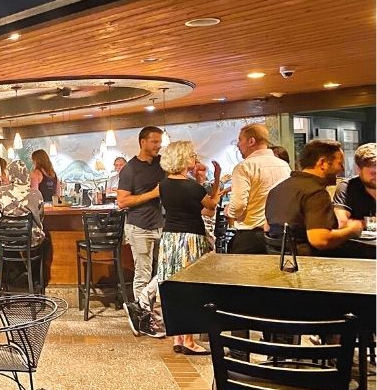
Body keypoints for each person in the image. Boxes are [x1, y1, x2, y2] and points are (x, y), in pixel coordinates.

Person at [156, 141, 222, 354]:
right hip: (190, 238)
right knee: (191, 288)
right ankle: (189, 342)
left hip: (169, 239)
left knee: (173, 288)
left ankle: (177, 337)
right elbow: (210, 207)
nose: (195, 158)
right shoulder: (192, 187)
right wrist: (217, 180)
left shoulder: (164, 185)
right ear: (185, 159)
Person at [265, 139, 362, 256]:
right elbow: (320, 240)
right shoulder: (316, 193)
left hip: (280, 262)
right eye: (340, 163)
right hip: (309, 266)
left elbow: (267, 228)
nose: (342, 169)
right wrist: (353, 230)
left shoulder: (277, 189)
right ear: (322, 163)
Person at [117, 126, 165, 338]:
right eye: (154, 141)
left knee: (164, 271)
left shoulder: (162, 164)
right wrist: (153, 193)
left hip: (160, 224)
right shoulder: (130, 169)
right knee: (143, 273)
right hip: (138, 226)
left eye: (159, 141)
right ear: (142, 142)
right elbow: (122, 201)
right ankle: (142, 319)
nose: (158, 145)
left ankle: (150, 314)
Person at [225, 124, 291, 254]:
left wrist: (229, 212)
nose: (238, 145)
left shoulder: (244, 167)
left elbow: (238, 205)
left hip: (250, 237)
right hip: (277, 237)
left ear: (251, 141)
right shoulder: (284, 166)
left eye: (240, 140)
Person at [0, 159, 45, 245]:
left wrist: (1, 214)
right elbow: (41, 217)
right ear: (27, 174)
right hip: (31, 239)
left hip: (7, 238)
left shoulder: (1, 191)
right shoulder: (36, 194)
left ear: (10, 174)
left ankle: (3, 258)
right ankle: (29, 258)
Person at [333, 142, 376, 227]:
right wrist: (372, 222)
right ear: (358, 170)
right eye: (373, 173)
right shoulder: (347, 187)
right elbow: (342, 222)